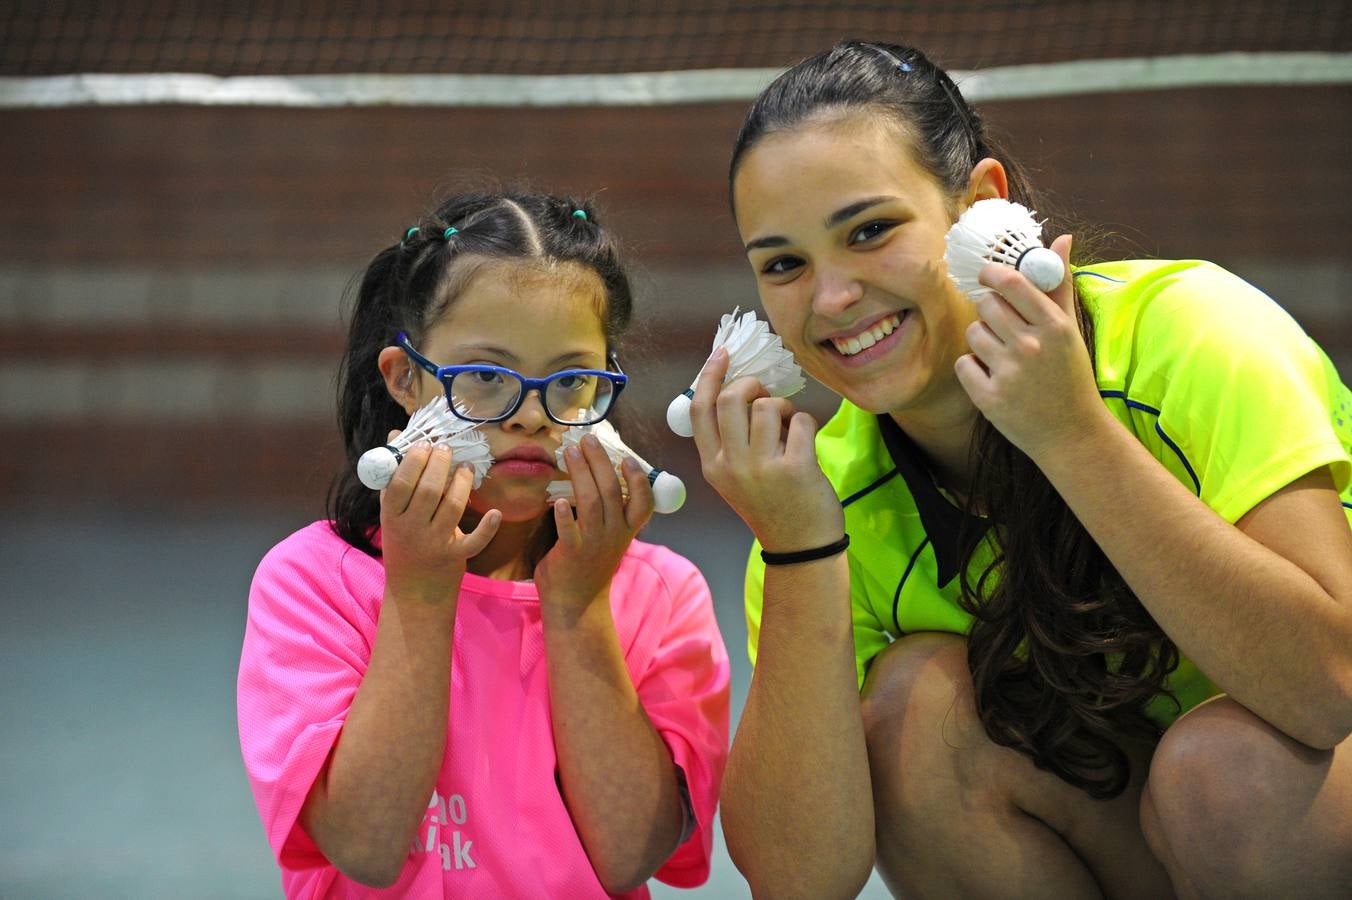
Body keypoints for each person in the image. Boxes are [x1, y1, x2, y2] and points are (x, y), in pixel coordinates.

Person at [691, 39, 1352, 899]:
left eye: (871, 231)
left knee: (1223, 777)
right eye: (784, 264)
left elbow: (1327, 691)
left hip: (1293, 799)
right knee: (910, 718)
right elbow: (796, 879)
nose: (831, 299)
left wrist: (1071, 436)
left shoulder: (1194, 339)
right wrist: (796, 550)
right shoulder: (829, 495)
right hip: (1153, 836)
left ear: (981, 205)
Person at [237, 191, 730, 898]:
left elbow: (629, 857)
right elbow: (366, 850)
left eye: (570, 381)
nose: (532, 415)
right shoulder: (311, 583)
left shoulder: (659, 593)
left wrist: (581, 604)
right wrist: (419, 594)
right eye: (488, 377)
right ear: (406, 380)